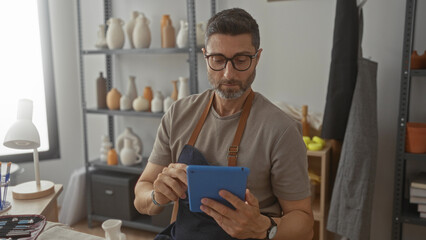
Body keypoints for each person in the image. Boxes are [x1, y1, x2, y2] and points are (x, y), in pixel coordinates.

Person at [134, 8, 314, 240]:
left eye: (241, 60)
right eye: (218, 60)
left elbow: (304, 224)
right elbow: (142, 194)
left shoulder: (282, 130)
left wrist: (264, 228)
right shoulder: (178, 114)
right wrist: (157, 196)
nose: (229, 73)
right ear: (205, 56)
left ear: (257, 58)